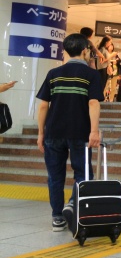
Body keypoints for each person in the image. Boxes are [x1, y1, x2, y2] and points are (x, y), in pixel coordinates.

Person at [36, 33, 103, 232]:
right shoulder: (92, 75)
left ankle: (57, 218)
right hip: (79, 133)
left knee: (55, 176)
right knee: (83, 173)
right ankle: (72, 204)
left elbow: (43, 106)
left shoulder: (53, 74)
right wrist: (94, 131)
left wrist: (41, 133)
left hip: (53, 133)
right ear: (85, 51)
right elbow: (93, 103)